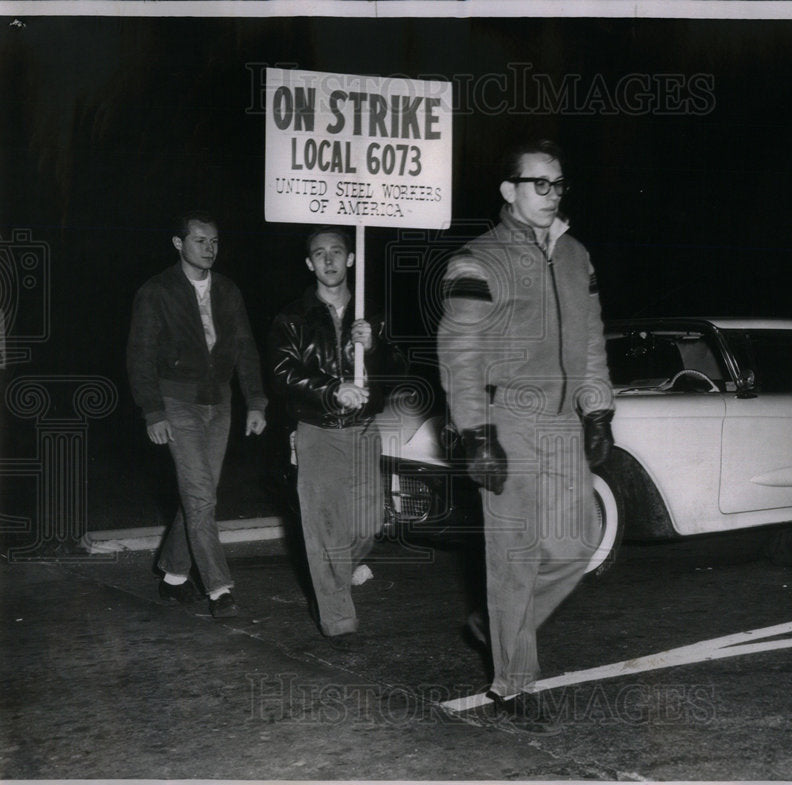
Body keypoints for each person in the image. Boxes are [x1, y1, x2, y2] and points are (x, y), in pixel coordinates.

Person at [436, 139, 615, 732]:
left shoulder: (576, 256)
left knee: (579, 540)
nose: (552, 194)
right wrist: (475, 434)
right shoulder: (475, 261)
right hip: (506, 419)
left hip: (563, 422)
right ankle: (512, 682)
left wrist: (597, 410)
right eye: (539, 183)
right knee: (512, 559)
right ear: (508, 190)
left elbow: (590, 341)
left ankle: (497, 627)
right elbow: (461, 354)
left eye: (558, 184)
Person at [269, 226, 404, 651]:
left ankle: (334, 577)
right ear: (309, 263)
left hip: (364, 431)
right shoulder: (291, 317)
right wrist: (331, 388)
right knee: (324, 529)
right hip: (318, 431)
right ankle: (338, 621)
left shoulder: (373, 315)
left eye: (336, 252)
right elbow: (281, 372)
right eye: (319, 254)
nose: (328, 260)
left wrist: (376, 345)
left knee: (368, 526)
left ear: (351, 259)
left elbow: (399, 371)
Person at [127, 211, 267, 619]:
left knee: (199, 495)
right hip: (177, 402)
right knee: (202, 497)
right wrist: (153, 411)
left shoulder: (228, 290)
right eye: (200, 241)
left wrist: (256, 402)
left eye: (215, 242)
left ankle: (173, 577)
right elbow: (140, 356)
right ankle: (220, 588)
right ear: (178, 244)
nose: (210, 249)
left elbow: (245, 347)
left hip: (219, 402)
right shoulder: (156, 291)